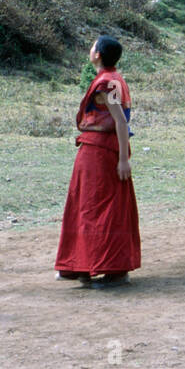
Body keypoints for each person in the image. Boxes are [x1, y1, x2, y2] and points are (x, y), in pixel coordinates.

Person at [55, 36, 140, 287]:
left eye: (92, 47)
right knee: (91, 205)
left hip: (100, 152)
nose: (89, 50)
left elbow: (121, 122)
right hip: (96, 150)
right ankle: (82, 264)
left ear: (98, 55)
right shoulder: (113, 79)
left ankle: (108, 266)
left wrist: (124, 159)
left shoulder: (107, 83)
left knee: (95, 208)